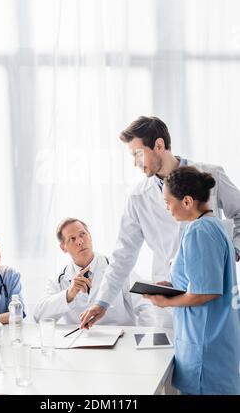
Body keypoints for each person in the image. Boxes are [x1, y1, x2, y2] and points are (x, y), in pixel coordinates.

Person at [80, 116, 240, 329]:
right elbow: (123, 255)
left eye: (138, 153)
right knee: (172, 359)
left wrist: (234, 250)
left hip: (210, 291)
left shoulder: (211, 175)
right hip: (168, 298)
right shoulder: (138, 197)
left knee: (207, 350)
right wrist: (102, 302)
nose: (135, 163)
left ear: (159, 145)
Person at [144, 167, 240, 395]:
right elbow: (201, 280)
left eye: (168, 202)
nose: (167, 208)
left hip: (205, 348)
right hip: (214, 343)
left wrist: (164, 302)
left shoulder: (199, 231)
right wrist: (174, 286)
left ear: (187, 201)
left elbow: (206, 293)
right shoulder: (213, 225)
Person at [34, 218, 155, 326]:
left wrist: (146, 340)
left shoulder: (117, 267)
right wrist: (69, 294)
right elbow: (39, 317)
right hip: (80, 344)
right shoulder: (59, 280)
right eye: (72, 239)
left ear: (90, 237)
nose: (80, 241)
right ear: (63, 248)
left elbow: (145, 305)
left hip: (120, 342)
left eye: (82, 234)